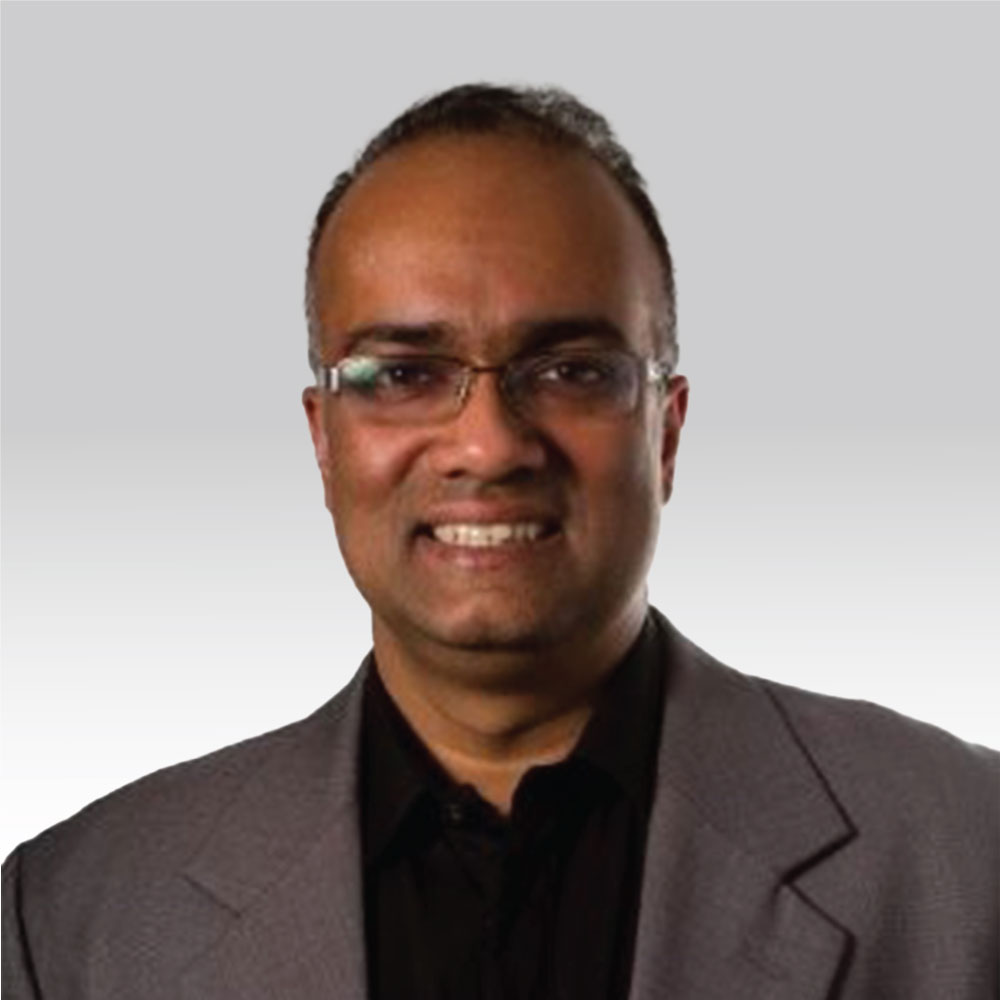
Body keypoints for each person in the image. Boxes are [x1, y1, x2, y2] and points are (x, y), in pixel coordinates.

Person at [3, 83, 997, 1000]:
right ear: (324, 440)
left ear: (665, 432)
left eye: (571, 370)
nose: (487, 446)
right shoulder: (69, 918)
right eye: (403, 374)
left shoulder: (971, 852)